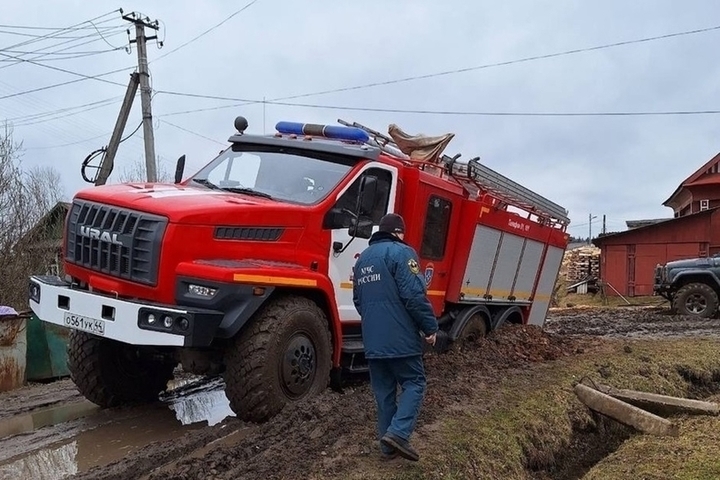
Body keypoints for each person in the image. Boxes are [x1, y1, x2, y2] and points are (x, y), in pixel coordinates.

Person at [352, 212, 439, 462]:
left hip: (373, 340)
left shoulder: (363, 260)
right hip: (400, 338)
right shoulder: (402, 252)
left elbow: (359, 301)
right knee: (415, 382)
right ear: (398, 233)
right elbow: (414, 296)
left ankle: (388, 447)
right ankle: (399, 433)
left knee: (384, 392)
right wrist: (430, 328)